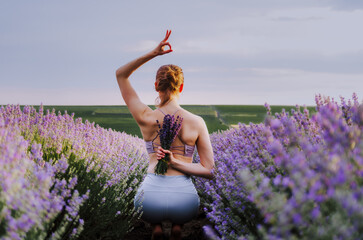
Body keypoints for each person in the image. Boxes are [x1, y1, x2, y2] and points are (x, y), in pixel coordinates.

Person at [115, 30, 215, 240]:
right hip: (184, 201)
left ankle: (156, 227)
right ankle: (178, 226)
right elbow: (209, 170)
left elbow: (121, 74)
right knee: (180, 212)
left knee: (153, 212)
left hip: (150, 198)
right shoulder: (197, 122)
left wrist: (153, 53)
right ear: (181, 87)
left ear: (156, 86)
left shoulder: (145, 116)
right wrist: (176, 163)